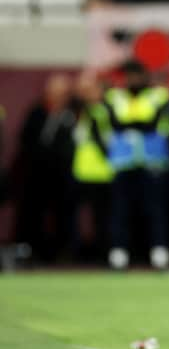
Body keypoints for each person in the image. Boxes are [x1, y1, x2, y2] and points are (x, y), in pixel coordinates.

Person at [104, 60, 169, 269]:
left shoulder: (158, 96)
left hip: (152, 161)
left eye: (137, 75)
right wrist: (139, 125)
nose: (133, 80)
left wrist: (132, 126)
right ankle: (119, 253)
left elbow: (158, 124)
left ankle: (159, 253)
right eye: (130, 76)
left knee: (155, 209)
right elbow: (114, 123)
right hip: (123, 162)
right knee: (120, 210)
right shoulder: (114, 97)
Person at [15, 74, 75, 262]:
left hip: (62, 173)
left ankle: (61, 253)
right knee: (32, 213)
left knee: (62, 215)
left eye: (62, 91)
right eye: (54, 90)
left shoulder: (72, 113)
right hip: (36, 172)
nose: (58, 94)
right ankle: (29, 250)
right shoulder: (37, 112)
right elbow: (26, 138)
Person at [69, 72, 114, 261]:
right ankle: (80, 250)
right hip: (83, 171)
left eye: (91, 90)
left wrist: (107, 156)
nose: (86, 94)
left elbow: (105, 139)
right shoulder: (85, 111)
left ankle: (102, 252)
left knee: (101, 216)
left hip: (100, 172)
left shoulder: (100, 111)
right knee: (80, 215)